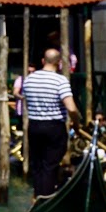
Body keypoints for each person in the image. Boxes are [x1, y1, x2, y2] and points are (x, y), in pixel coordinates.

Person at [21, 48, 78, 198]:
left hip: (34, 126)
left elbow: (27, 102)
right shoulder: (60, 80)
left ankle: (37, 195)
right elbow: (71, 108)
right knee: (50, 165)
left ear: (42, 61)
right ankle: (45, 198)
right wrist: (77, 124)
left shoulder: (29, 79)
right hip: (54, 127)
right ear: (59, 63)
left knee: (38, 164)